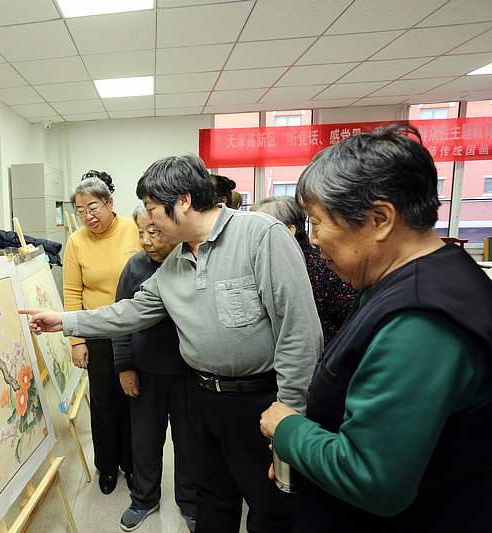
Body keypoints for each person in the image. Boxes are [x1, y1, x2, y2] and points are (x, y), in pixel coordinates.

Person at [22, 154, 323, 533]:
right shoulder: (175, 262)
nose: (146, 221)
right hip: (201, 397)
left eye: (151, 209)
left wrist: (291, 415)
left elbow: (299, 333)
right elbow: (129, 312)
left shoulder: (260, 236)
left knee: (268, 506)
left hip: (260, 403)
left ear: (181, 201)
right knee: (212, 495)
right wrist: (65, 322)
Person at [259, 123, 492, 532]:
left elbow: (373, 478)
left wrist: (289, 431)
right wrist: (311, 453)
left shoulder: (422, 322)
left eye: (317, 222)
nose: (313, 241)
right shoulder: (407, 280)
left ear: (380, 218)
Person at [114, 205, 195, 532]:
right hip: (144, 374)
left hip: (189, 373)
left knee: (189, 444)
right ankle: (144, 499)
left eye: (155, 233)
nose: (147, 241)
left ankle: (190, 502)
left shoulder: (189, 263)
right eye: (141, 233)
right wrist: (124, 365)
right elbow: (119, 318)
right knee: (145, 442)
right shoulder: (134, 267)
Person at [63, 169, 140, 495]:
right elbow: (72, 293)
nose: (87, 216)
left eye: (93, 207)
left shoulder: (133, 229)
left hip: (136, 330)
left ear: (110, 202)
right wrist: (78, 340)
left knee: (135, 403)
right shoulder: (76, 241)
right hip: (97, 333)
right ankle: (107, 467)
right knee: (105, 404)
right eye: (80, 211)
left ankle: (133, 465)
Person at [251, 196, 357, 344]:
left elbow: (349, 324)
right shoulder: (261, 264)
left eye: (259, 230)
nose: (251, 237)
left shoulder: (327, 268)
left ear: (289, 231)